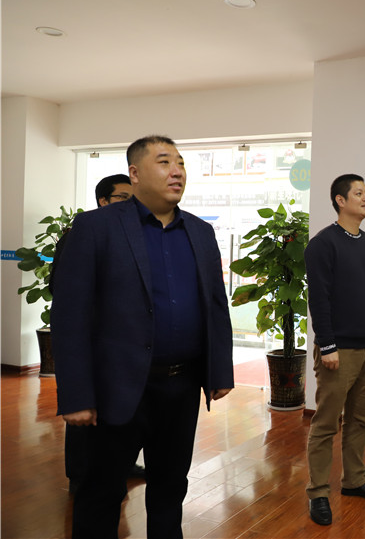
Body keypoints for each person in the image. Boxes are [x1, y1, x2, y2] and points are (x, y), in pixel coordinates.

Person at [51, 135, 234, 538]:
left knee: (170, 489)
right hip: (115, 388)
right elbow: (70, 316)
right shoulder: (96, 227)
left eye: (181, 163)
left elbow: (215, 306)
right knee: (101, 494)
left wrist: (220, 371)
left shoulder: (200, 232)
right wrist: (77, 395)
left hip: (181, 386)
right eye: (165, 162)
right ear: (134, 174)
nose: (177, 171)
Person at [304, 173, 365, 526]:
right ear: (341, 201)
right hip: (338, 351)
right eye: (359, 193)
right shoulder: (323, 244)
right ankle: (318, 492)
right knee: (326, 424)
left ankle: (354, 480)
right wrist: (327, 345)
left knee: (359, 420)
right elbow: (319, 299)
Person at [54, 173, 146, 494]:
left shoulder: (134, 236)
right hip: (92, 343)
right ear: (103, 201)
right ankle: (79, 476)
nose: (131, 204)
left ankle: (123, 465)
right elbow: (62, 291)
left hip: (124, 347)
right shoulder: (81, 234)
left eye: (134, 198)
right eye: (123, 198)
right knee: (85, 415)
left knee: (123, 413)